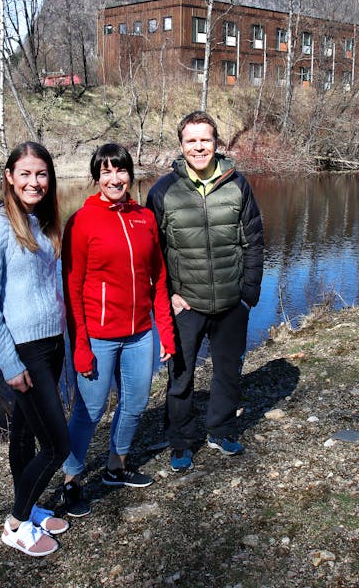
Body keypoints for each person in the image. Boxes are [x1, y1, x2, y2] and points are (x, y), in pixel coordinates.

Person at [58, 143, 176, 517]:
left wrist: (166, 333)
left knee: (137, 403)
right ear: (97, 177)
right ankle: (71, 481)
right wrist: (80, 346)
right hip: (98, 336)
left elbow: (158, 278)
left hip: (141, 333)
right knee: (89, 411)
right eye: (106, 171)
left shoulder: (144, 218)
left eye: (120, 170)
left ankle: (116, 467)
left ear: (130, 174)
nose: (114, 178)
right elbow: (72, 287)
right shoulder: (81, 221)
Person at [145, 111, 264, 472]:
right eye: (191, 141)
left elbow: (254, 242)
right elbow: (153, 254)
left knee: (228, 371)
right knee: (180, 377)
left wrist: (248, 295)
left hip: (231, 301)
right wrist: (168, 297)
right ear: (181, 147)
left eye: (205, 140)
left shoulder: (237, 185)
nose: (199, 147)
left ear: (217, 144)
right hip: (187, 304)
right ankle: (181, 441)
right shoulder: (162, 191)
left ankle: (222, 429)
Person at [0, 141, 71, 557]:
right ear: (9, 175)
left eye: (42, 173)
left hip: (51, 344)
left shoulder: (41, 221)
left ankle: (29, 509)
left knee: (26, 434)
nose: (34, 181)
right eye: (25, 173)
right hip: (24, 351)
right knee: (57, 445)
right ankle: (16, 523)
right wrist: (10, 362)